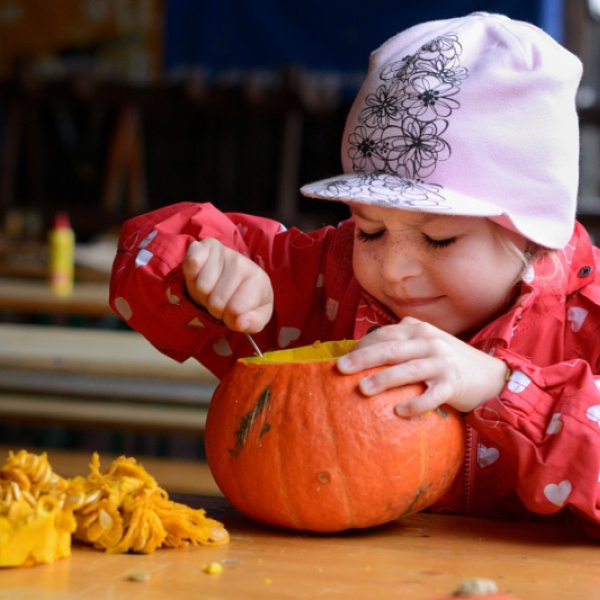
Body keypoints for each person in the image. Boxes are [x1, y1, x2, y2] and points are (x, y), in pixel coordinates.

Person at [110, 12, 600, 537]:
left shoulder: (587, 320)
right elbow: (144, 253)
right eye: (369, 229)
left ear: (530, 233)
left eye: (439, 239)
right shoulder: (326, 279)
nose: (393, 268)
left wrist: (500, 388)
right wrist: (203, 270)